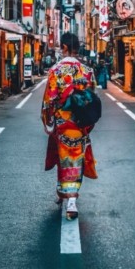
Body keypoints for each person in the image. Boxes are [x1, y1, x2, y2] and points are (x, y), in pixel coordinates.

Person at [41, 32, 98, 220]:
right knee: (76, 159)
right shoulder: (87, 71)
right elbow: (92, 97)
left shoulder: (56, 70)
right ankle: (63, 191)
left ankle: (71, 200)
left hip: (62, 122)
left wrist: (48, 120)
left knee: (63, 157)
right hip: (80, 123)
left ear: (64, 47)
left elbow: (49, 100)